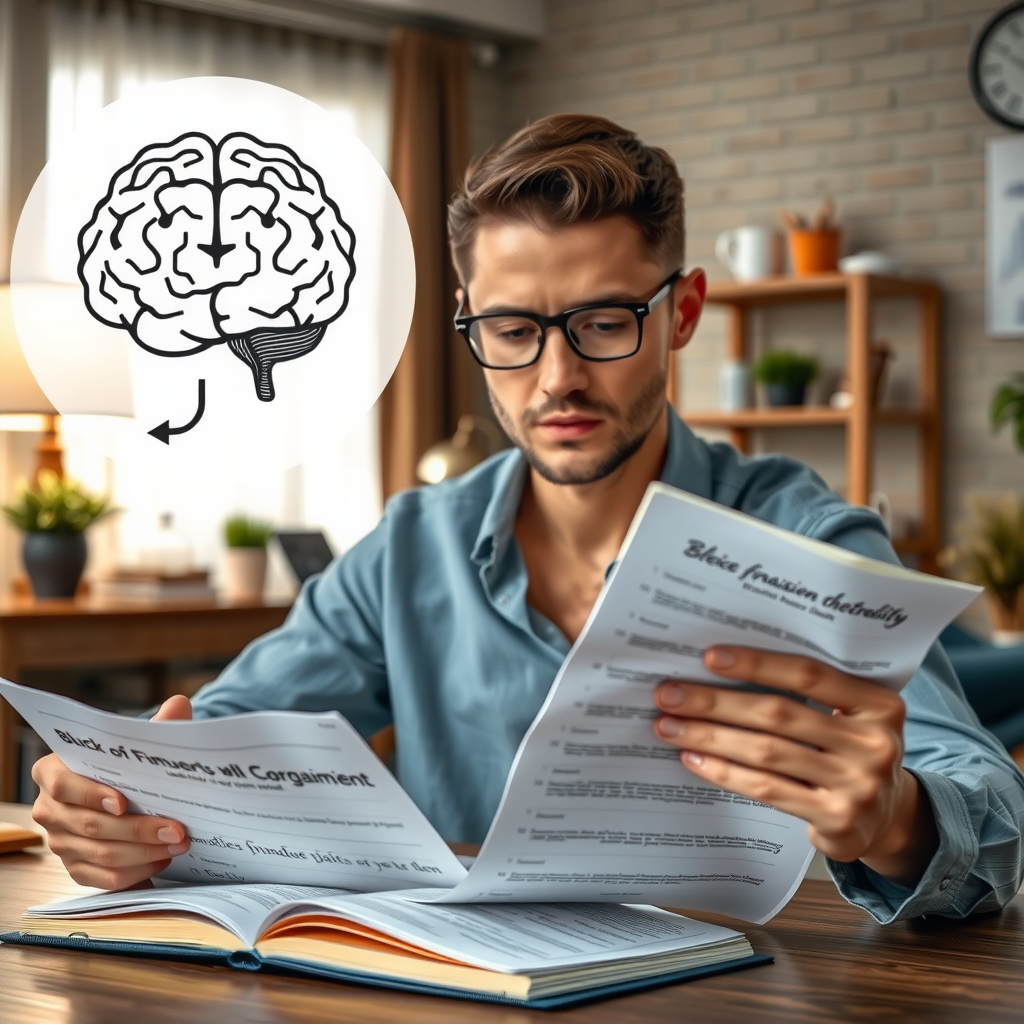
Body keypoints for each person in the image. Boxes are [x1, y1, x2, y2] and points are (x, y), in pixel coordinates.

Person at [31, 114, 1024, 922]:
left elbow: (991, 805)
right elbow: (208, 743)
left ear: (679, 313)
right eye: (511, 329)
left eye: (601, 322)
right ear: (470, 319)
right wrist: (120, 803)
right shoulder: (410, 547)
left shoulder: (807, 538)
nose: (556, 378)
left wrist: (898, 819)